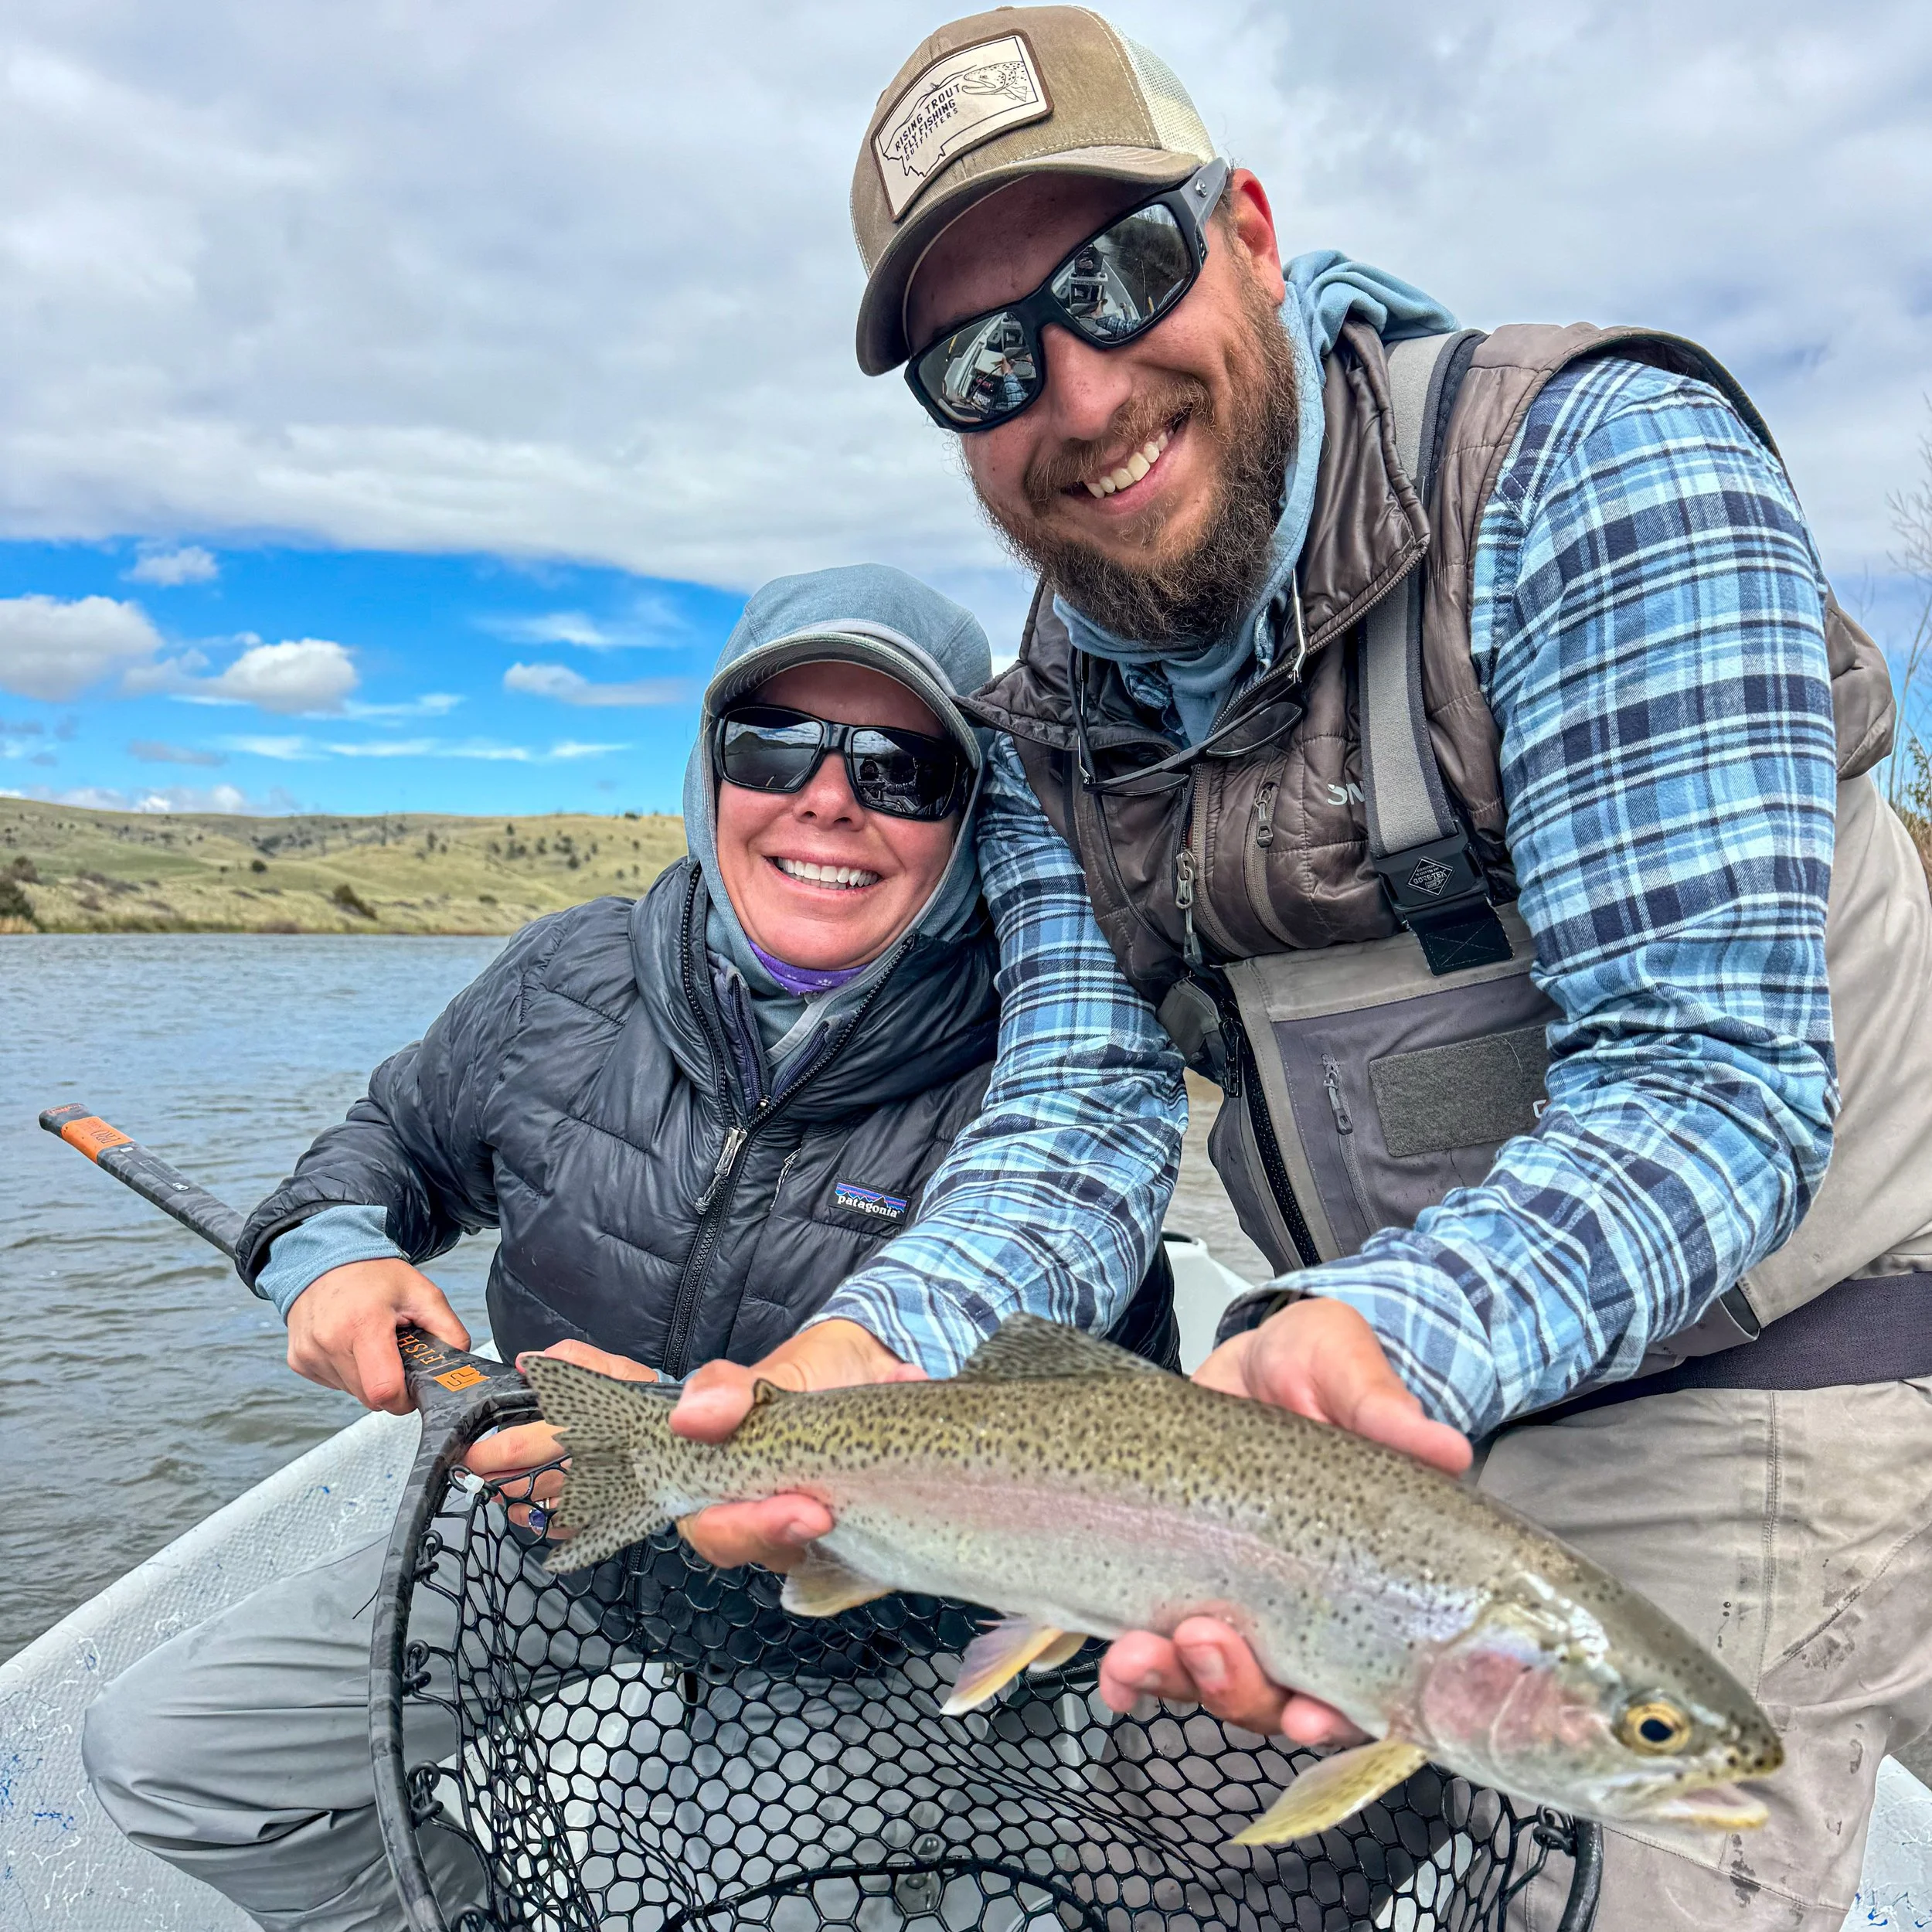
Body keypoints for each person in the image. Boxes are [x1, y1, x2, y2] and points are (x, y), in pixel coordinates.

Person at [820, 10, 1932, 1929]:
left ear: (1246, 229)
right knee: (1149, 1861)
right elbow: (1079, 1116)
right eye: (986, 360)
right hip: (1346, 1425)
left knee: (1599, 1872)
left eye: (1116, 274)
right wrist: (873, 1352)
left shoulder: (1592, 465)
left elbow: (1705, 1080)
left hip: (1776, 1359)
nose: (1075, 394)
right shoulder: (1054, 706)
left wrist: (1388, 1335)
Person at [80, 563, 1185, 1932]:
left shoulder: (1055, 1080)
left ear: (977, 822)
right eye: (775, 745)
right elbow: (394, 1140)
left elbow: (1084, 1380)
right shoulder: (571, 972)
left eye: (904, 770)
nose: (828, 798)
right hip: (568, 1550)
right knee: (171, 1757)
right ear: (708, 769)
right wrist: (330, 1251)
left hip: (875, 1638)